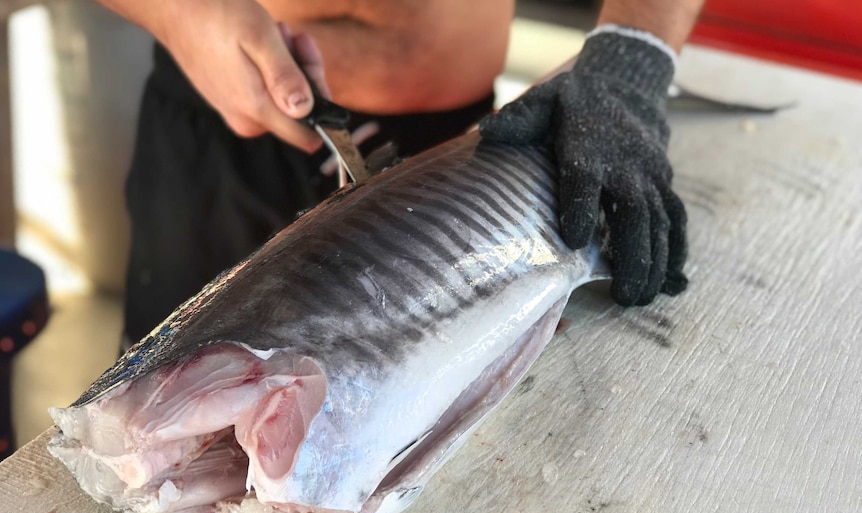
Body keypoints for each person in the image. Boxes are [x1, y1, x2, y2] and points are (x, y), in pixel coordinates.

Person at [95, 0, 704, 344]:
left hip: (458, 161)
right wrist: (179, 14)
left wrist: (633, 54)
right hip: (220, 130)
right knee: (177, 412)